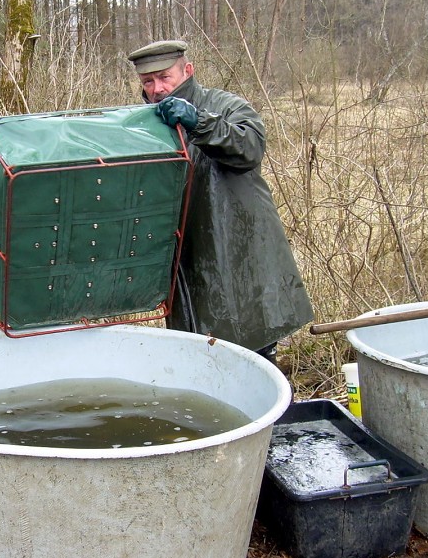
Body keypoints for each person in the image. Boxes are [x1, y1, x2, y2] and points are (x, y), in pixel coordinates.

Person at [127, 40, 313, 362]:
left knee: (253, 359)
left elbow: (250, 147)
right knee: (196, 360)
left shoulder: (223, 106)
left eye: (165, 77)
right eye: (148, 81)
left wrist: (198, 122)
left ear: (187, 71)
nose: (157, 89)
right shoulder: (140, 125)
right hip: (184, 266)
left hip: (241, 255)